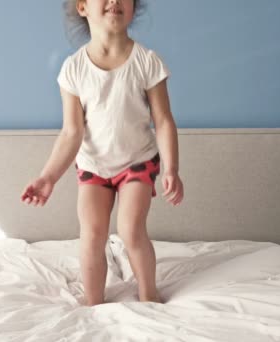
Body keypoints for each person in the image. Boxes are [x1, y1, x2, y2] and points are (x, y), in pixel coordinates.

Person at [21, 0, 183, 306]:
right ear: (82, 7)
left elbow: (163, 120)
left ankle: (149, 294)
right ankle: (92, 303)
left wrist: (172, 168)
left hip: (137, 163)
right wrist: (48, 177)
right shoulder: (74, 68)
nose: (113, 1)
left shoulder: (147, 61)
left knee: (130, 230)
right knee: (92, 235)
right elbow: (72, 132)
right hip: (94, 167)